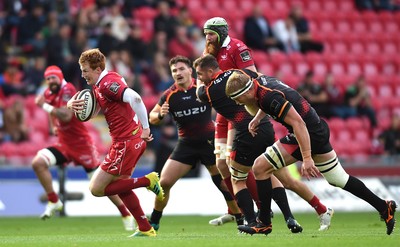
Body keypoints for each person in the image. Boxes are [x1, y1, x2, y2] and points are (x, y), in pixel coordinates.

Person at [225, 70, 397, 235]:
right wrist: (257, 119)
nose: (237, 102)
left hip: (308, 133)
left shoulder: (269, 97)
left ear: (246, 91)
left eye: (236, 98)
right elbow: (266, 103)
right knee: (339, 179)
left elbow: (298, 124)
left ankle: (263, 223)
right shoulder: (259, 84)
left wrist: (307, 158)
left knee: (260, 167)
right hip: (317, 128)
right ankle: (383, 206)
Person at [201, 17, 328, 231]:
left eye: (211, 34)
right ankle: (244, 214)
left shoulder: (237, 47)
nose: (207, 38)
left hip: (242, 111)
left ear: (221, 32)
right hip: (224, 114)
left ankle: (306, 211)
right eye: (206, 34)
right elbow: (202, 79)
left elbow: (251, 75)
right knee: (223, 165)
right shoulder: (209, 52)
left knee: (276, 174)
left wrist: (224, 83)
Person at [66, 49, 164, 237]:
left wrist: (146, 127)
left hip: (127, 142)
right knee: (122, 186)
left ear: (97, 69)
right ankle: (145, 227)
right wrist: (72, 105)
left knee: (96, 188)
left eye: (85, 70)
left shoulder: (108, 84)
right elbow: (92, 113)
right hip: (129, 140)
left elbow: (135, 98)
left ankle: (147, 180)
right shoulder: (103, 82)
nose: (82, 74)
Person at [32, 65, 135, 231]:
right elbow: (54, 112)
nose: (51, 81)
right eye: (48, 78)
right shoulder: (48, 94)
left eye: (53, 77)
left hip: (82, 145)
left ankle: (125, 213)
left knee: (101, 186)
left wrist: (44, 106)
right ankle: (54, 200)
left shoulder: (68, 89)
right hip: (64, 144)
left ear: (60, 77)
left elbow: (66, 116)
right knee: (38, 163)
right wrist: (53, 126)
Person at [147, 55, 242, 231]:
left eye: (182, 69)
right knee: (164, 183)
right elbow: (152, 118)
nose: (178, 73)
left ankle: (240, 219)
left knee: (222, 184)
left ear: (190, 71)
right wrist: (160, 115)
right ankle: (154, 222)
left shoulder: (202, 88)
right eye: (174, 70)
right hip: (186, 144)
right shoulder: (169, 95)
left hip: (210, 142)